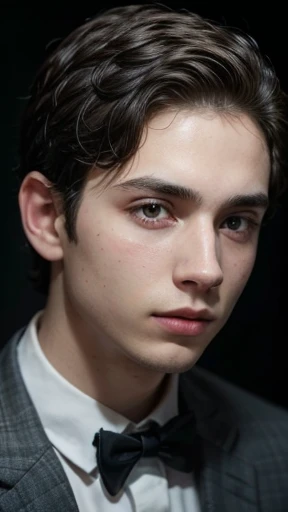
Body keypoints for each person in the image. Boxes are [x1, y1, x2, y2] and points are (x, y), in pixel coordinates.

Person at [1, 3, 288, 511]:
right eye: (153, 209)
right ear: (48, 217)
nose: (207, 269)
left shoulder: (278, 452)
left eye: (235, 222)